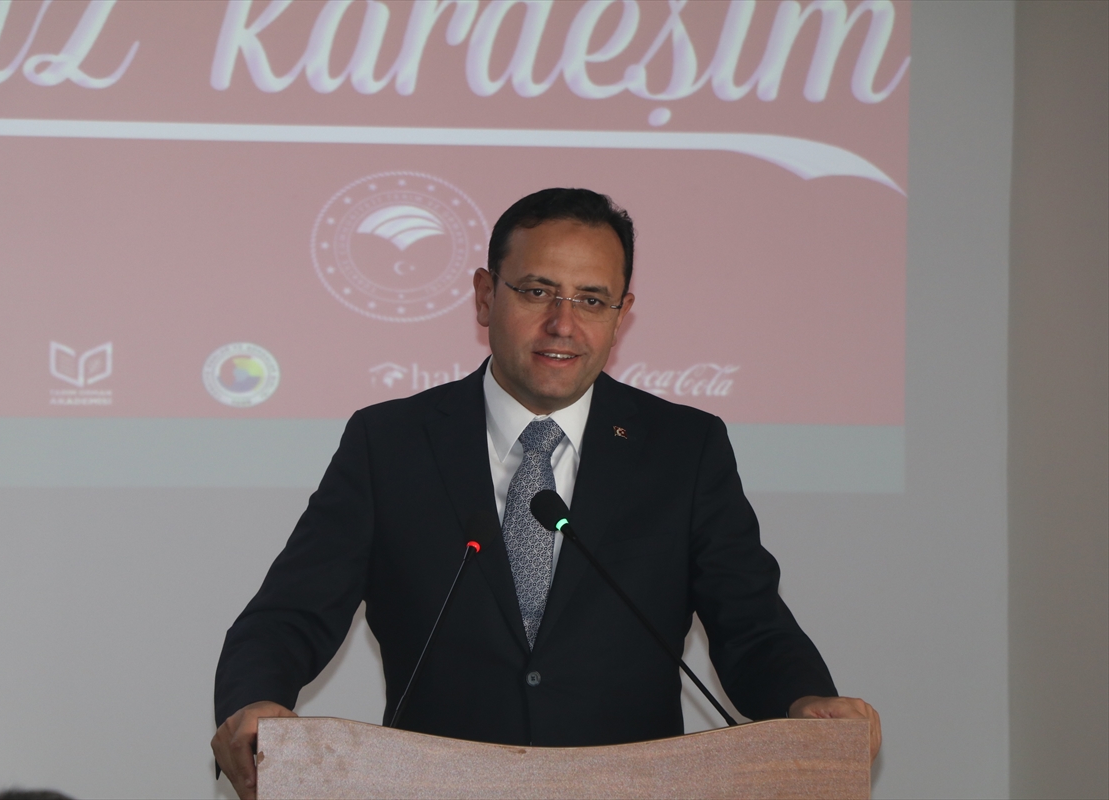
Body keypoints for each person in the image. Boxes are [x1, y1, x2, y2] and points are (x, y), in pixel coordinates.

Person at [212, 188, 881, 799]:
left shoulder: (683, 449)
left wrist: (805, 701)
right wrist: (255, 701)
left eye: (591, 299)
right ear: (485, 296)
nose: (563, 323)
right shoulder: (390, 443)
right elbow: (288, 615)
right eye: (537, 291)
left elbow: (751, 625)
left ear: (622, 316)